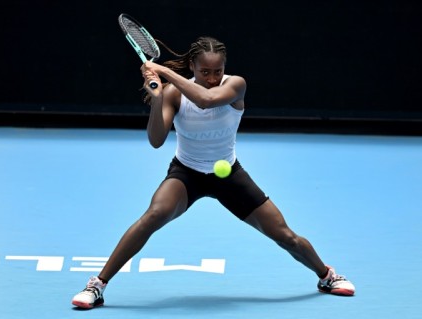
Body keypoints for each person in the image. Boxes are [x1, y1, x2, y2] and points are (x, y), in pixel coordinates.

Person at [71, 36, 355, 309]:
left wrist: (163, 72)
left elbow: (206, 99)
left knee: (283, 235)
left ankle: (326, 275)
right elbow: (156, 140)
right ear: (192, 67)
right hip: (187, 172)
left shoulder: (236, 85)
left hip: (227, 174)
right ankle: (97, 285)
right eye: (204, 71)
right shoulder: (174, 95)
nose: (211, 77)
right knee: (153, 215)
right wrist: (157, 99)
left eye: (217, 71)